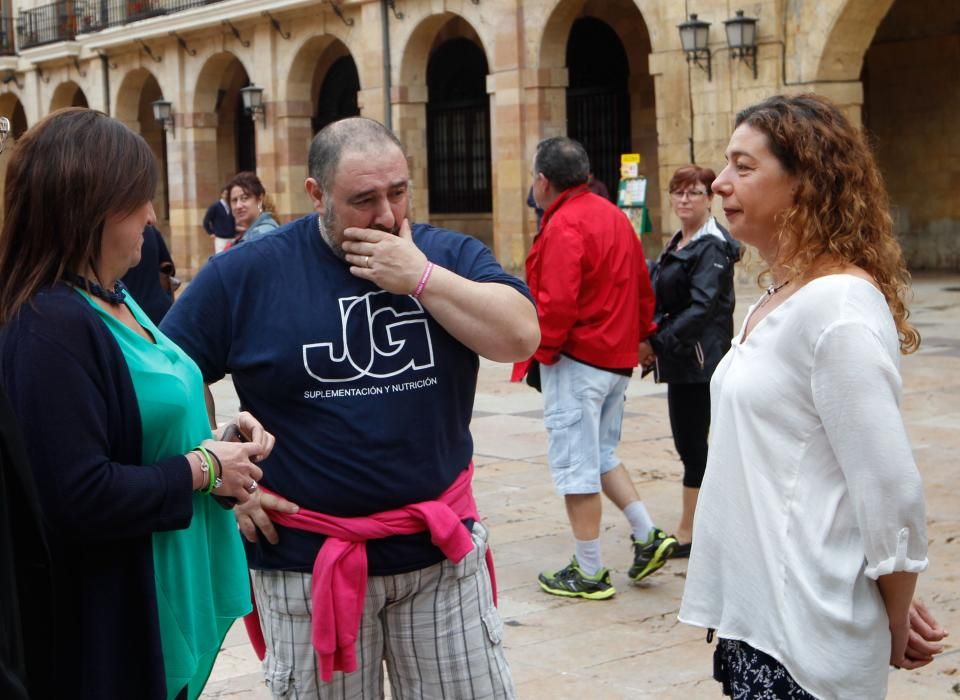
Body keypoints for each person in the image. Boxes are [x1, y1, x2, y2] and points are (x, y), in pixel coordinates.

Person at [160, 116, 539, 699]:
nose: (386, 215)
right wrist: (220, 474)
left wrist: (422, 278)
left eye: (398, 192)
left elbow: (520, 337)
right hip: (306, 568)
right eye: (363, 200)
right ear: (317, 196)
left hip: (439, 560)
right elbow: (168, 380)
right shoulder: (248, 274)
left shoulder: (445, 254)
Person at [0, 108, 278, 700]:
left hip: (168, 587)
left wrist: (217, 453)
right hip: (123, 617)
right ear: (89, 210)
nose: (152, 218)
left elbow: (139, 429)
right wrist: (202, 470)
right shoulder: (49, 325)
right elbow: (76, 495)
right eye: (139, 202)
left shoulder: (112, 295)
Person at [678, 94, 948, 698]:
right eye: (727, 164)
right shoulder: (782, 294)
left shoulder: (839, 309)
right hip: (759, 619)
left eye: (744, 167)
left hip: (805, 643)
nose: (719, 182)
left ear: (807, 184)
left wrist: (895, 615)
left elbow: (890, 489)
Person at [513, 136, 676, 601]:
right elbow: (645, 287)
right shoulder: (612, 215)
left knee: (576, 464)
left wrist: (542, 351)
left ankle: (589, 571)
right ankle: (647, 535)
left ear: (543, 181)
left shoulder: (564, 224)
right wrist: (642, 336)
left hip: (579, 359)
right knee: (602, 453)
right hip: (615, 359)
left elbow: (557, 304)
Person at [641, 165, 740, 557]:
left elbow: (701, 308)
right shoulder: (681, 241)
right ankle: (701, 523)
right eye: (678, 192)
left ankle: (691, 531)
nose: (685, 199)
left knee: (693, 445)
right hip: (683, 359)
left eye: (694, 192)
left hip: (700, 362)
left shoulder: (711, 245)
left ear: (709, 198)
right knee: (690, 443)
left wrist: (656, 343)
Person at [121, 223, 177, 325]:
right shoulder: (150, 230)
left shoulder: (112, 235)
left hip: (129, 311)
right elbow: (168, 266)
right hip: (159, 309)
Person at [228, 171, 279, 245]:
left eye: (244, 198)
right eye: (234, 200)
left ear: (259, 200)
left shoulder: (261, 235)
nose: (238, 206)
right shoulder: (251, 234)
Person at [203, 186, 236, 252]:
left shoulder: (232, 206)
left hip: (232, 238)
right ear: (222, 194)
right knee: (221, 257)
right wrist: (211, 233)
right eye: (225, 193)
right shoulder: (215, 206)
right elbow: (206, 221)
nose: (227, 196)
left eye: (228, 194)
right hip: (221, 239)